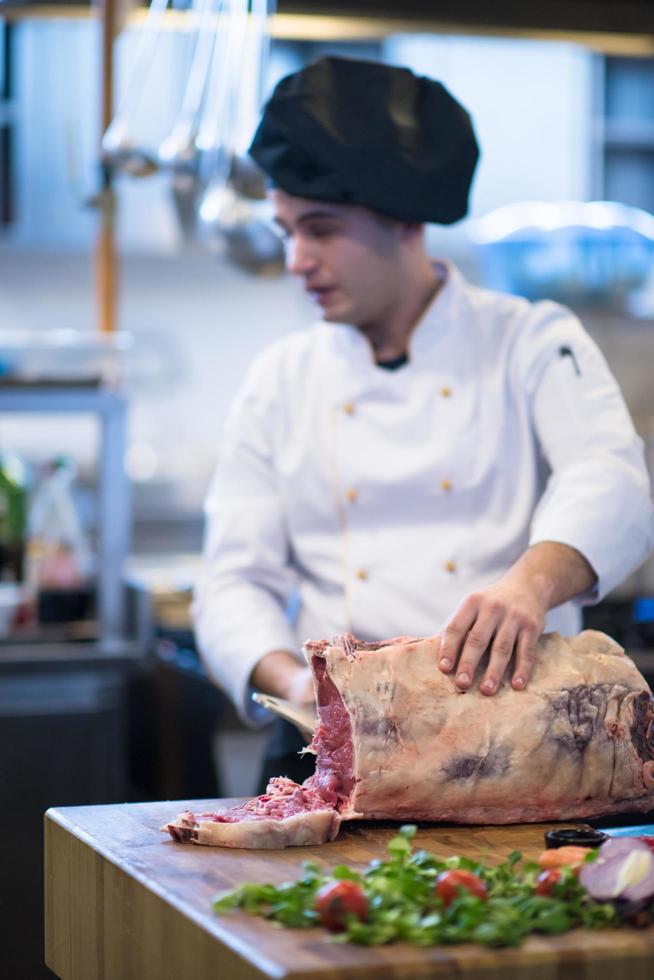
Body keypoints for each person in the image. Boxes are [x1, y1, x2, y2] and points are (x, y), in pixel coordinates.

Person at [193, 56, 654, 790]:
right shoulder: (281, 378)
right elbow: (230, 583)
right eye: (285, 231)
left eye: (319, 230)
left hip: (512, 745)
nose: (296, 261)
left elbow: (612, 477)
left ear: (404, 221)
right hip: (328, 753)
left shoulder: (529, 339)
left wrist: (530, 586)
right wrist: (296, 685)